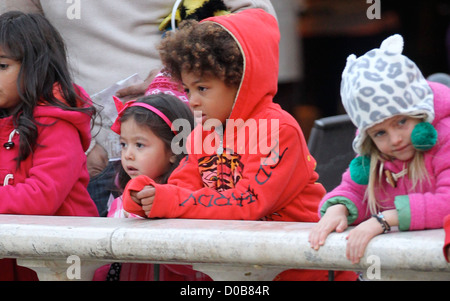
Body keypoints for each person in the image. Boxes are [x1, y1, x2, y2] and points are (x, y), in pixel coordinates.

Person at [121, 9, 356, 281]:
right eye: (187, 90)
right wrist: (145, 195)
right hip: (239, 268)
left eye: (203, 89)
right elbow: (182, 187)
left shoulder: (279, 130)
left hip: (305, 270)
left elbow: (248, 203)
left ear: (240, 81)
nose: (192, 100)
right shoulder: (202, 133)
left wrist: (170, 200)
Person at [0, 0, 277, 217]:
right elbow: (18, 34)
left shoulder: (272, 131)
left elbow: (254, 19)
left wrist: (178, 77)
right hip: (77, 134)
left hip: (169, 131)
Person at [308, 34, 450, 266]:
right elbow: (354, 190)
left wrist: (385, 220)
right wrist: (339, 208)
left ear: (420, 112)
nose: (395, 140)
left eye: (401, 122)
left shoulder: (445, 135)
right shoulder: (376, 155)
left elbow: (448, 202)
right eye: (380, 133)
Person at [0, 11, 98, 281]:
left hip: (59, 262)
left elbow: (41, 195)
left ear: (36, 66)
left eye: (2, 66)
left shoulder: (58, 123)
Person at [94, 89, 209, 281]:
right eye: (123, 144)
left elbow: (193, 264)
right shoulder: (121, 200)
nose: (128, 154)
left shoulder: (187, 199)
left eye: (139, 145)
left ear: (174, 150)